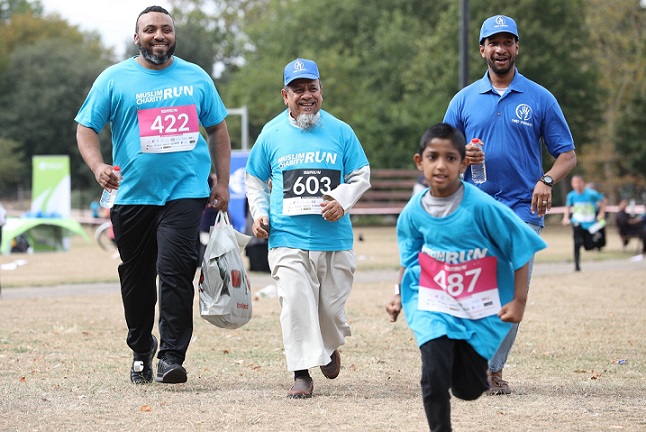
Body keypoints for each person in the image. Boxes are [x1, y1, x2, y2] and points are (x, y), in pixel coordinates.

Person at [75, 5, 231, 385]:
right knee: (137, 277)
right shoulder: (114, 79)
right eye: (150, 30)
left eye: (165, 29)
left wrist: (223, 182)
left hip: (185, 192)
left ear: (173, 35)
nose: (158, 36)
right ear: (136, 37)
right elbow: (86, 129)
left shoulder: (196, 78)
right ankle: (141, 348)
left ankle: (172, 356)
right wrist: (99, 167)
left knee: (177, 272)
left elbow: (218, 131)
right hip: (131, 195)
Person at [442, 14, 577, 395]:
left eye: (508, 42)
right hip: (475, 209)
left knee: (513, 292)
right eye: (493, 42)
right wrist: (459, 155)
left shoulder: (539, 98)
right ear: (482, 49)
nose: (500, 49)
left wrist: (546, 179)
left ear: (517, 47)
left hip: (522, 209)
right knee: (472, 289)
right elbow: (441, 153)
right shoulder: (463, 100)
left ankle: (492, 369)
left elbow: (566, 155)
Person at [386, 123, 546, 431]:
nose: (441, 165)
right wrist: (397, 293)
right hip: (432, 300)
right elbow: (410, 256)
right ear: (420, 162)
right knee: (433, 374)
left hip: (478, 305)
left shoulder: (483, 207)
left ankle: (468, 362)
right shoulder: (413, 212)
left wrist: (519, 301)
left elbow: (522, 247)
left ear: (463, 163)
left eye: (450, 158)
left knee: (468, 389)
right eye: (433, 157)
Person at [245, 58, 371, 398]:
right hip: (286, 237)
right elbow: (254, 179)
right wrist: (258, 213)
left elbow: (361, 175)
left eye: (312, 88)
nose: (306, 96)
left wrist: (342, 199)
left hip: (335, 239)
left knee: (330, 310)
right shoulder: (270, 134)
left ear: (321, 92)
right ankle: (301, 373)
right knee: (295, 302)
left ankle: (328, 346)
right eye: (298, 90)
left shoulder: (341, 131)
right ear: (284, 95)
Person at [562, 176, 607, 271]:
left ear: (583, 183)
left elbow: (603, 200)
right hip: (577, 222)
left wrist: (601, 213)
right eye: (575, 183)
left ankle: (591, 243)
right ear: (572, 184)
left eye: (579, 182)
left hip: (590, 223)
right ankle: (577, 265)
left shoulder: (591, 194)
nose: (577, 185)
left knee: (588, 246)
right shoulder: (571, 195)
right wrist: (565, 217)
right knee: (576, 243)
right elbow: (568, 207)